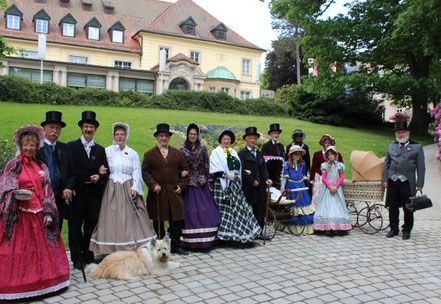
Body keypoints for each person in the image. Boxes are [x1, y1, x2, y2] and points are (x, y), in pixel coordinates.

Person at [0, 125, 70, 300]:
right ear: (20, 146)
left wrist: (48, 212)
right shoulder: (13, 165)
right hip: (19, 216)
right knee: (20, 251)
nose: (29, 148)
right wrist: (14, 196)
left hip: (39, 215)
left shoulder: (41, 166)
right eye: (26, 145)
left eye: (32, 145)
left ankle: (44, 283)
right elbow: (4, 189)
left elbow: (47, 191)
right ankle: (19, 285)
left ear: (37, 146)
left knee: (41, 251)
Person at [90, 123, 156, 254]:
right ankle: (111, 247)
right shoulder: (107, 151)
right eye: (117, 134)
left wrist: (135, 186)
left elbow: (137, 171)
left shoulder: (132, 153)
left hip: (127, 186)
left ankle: (133, 244)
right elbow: (100, 165)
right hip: (112, 187)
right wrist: (101, 169)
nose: (119, 137)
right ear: (114, 136)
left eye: (122, 134)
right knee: (112, 216)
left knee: (131, 216)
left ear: (126, 136)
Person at [68, 111, 109, 269]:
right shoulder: (71, 147)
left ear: (95, 129)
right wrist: (69, 188)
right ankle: (77, 257)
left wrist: (99, 177)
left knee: (91, 227)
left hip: (93, 194)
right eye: (86, 126)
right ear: (81, 128)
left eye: (91, 127)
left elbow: (106, 171)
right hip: (77, 193)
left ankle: (88, 254)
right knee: (75, 226)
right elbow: (68, 170)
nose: (88, 130)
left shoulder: (100, 149)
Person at [142, 123, 189, 255]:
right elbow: (145, 172)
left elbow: (185, 171)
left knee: (176, 220)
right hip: (158, 193)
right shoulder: (149, 154)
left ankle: (175, 246)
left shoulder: (178, 153)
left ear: (169, 137)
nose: (163, 138)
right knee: (159, 220)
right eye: (161, 136)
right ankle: (160, 247)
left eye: (166, 136)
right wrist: (153, 185)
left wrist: (181, 186)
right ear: (157, 137)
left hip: (174, 192)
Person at [210, 129, 262, 242]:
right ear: (220, 140)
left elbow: (238, 167)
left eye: (228, 139)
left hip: (235, 185)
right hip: (222, 185)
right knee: (225, 210)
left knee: (237, 209)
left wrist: (243, 172)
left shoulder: (233, 152)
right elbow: (214, 170)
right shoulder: (216, 152)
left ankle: (237, 234)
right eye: (224, 139)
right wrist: (227, 175)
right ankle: (223, 236)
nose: (226, 141)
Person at [382, 115, 425, 240]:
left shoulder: (417, 147)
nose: (401, 135)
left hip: (408, 182)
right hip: (393, 181)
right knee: (393, 206)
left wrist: (420, 183)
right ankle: (393, 229)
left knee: (408, 207)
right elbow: (386, 164)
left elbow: (421, 167)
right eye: (399, 133)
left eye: (403, 132)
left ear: (408, 133)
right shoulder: (392, 146)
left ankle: (406, 230)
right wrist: (385, 180)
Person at [179, 123, 221, 249]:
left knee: (205, 211)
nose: (193, 136)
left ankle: (206, 240)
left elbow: (206, 166)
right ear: (187, 134)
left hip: (201, 183)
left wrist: (209, 181)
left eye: (195, 134)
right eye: (191, 134)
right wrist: (180, 173)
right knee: (190, 211)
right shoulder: (181, 149)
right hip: (188, 184)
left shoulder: (202, 148)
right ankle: (188, 241)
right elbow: (178, 167)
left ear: (198, 135)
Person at [36, 111, 76, 231]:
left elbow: (72, 171)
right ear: (44, 129)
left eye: (58, 128)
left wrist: (69, 187)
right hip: (40, 198)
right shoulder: (37, 148)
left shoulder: (65, 148)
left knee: (56, 231)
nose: (55, 130)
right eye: (52, 127)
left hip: (59, 198)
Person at [238, 127, 272, 229]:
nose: (253, 140)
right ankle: (248, 230)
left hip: (260, 186)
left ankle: (259, 231)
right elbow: (241, 170)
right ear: (246, 140)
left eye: (254, 138)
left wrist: (267, 178)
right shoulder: (241, 154)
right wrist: (252, 181)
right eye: (251, 138)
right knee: (247, 209)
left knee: (260, 209)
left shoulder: (259, 153)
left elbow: (263, 168)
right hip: (248, 187)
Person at [313, 146, 351, 233]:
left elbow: (341, 177)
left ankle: (338, 226)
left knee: (337, 205)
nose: (330, 156)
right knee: (326, 205)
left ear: (335, 155)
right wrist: (330, 186)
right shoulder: (325, 165)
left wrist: (336, 186)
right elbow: (324, 178)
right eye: (329, 155)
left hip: (336, 188)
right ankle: (325, 225)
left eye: (332, 154)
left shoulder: (339, 165)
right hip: (327, 188)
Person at [281, 145, 315, 235]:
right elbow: (284, 178)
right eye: (295, 154)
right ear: (291, 155)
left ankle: (307, 225)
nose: (297, 156)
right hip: (291, 186)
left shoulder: (302, 164)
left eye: (299, 154)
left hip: (301, 186)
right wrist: (282, 188)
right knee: (293, 205)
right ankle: (293, 225)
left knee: (304, 204)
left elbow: (303, 174)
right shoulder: (287, 164)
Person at [310, 134, 344, 205]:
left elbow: (340, 167)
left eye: (329, 143)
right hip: (319, 176)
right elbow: (314, 167)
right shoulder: (317, 154)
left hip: (332, 177)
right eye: (326, 143)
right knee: (318, 193)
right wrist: (312, 178)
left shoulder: (337, 155)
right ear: (323, 144)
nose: (327, 144)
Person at [261, 123, 285, 189]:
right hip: (270, 173)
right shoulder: (266, 146)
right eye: (274, 133)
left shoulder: (281, 146)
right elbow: (263, 161)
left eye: (277, 133)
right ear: (270, 134)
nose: (276, 135)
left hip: (279, 174)